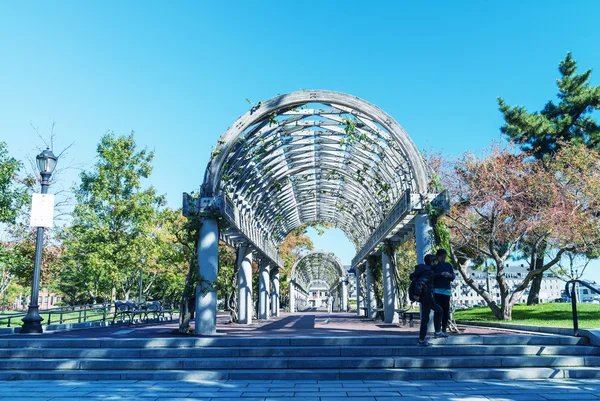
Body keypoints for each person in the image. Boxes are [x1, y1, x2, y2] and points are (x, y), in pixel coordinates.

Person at [410, 254, 445, 346]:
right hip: (426, 297)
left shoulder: (426, 270)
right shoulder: (428, 272)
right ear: (432, 262)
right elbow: (420, 283)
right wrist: (417, 294)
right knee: (425, 319)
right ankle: (421, 340)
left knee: (439, 310)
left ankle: (437, 331)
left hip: (429, 296)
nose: (436, 263)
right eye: (435, 262)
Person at [434, 249, 456, 335]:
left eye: (445, 256)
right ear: (438, 256)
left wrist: (450, 276)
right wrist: (441, 274)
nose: (443, 258)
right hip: (437, 291)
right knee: (438, 311)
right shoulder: (435, 266)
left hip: (446, 291)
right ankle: (437, 330)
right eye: (442, 257)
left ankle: (444, 329)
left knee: (446, 311)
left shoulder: (448, 265)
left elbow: (453, 276)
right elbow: (431, 275)